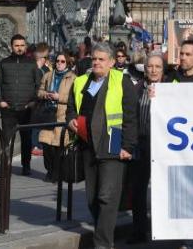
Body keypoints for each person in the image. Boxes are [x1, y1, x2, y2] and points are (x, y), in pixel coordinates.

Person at [66, 42, 137, 249]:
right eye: (94, 58)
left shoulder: (122, 81)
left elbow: (131, 118)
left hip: (113, 141)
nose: (96, 62)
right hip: (87, 145)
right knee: (92, 198)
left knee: (107, 196)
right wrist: (70, 119)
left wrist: (128, 146)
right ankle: (103, 232)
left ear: (112, 62)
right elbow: (70, 107)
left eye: (101, 59)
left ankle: (103, 244)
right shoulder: (80, 82)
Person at [128, 52, 165, 244]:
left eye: (158, 66)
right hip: (140, 144)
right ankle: (139, 230)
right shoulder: (137, 88)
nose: (153, 70)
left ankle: (164, 229)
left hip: (162, 146)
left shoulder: (170, 89)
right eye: (150, 66)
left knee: (162, 189)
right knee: (138, 189)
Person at [0, 34, 43, 176]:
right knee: (6, 140)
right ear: (12, 46)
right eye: (17, 45)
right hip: (8, 108)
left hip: (26, 108)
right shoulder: (4, 63)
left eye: (22, 45)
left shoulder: (31, 64)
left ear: (25, 46)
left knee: (26, 139)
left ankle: (26, 166)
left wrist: (33, 102)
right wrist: (0, 100)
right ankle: (5, 167)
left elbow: (38, 84)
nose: (19, 48)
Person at [37, 53, 76, 182]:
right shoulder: (48, 75)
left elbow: (74, 99)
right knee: (46, 146)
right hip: (48, 114)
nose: (59, 63)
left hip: (62, 115)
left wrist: (60, 98)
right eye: (57, 61)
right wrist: (46, 95)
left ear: (68, 63)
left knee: (58, 147)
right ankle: (50, 170)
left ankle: (56, 174)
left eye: (62, 61)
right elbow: (39, 91)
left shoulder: (73, 78)